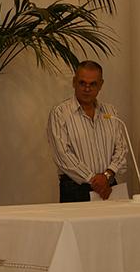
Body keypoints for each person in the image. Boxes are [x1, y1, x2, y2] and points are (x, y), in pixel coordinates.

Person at [46, 60, 127, 202]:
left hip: (109, 186)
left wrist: (107, 175)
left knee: (114, 224)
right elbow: (62, 155)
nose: (87, 89)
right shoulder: (60, 113)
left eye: (93, 84)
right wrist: (93, 179)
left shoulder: (111, 112)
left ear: (101, 85)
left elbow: (122, 148)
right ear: (74, 82)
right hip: (75, 188)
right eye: (82, 83)